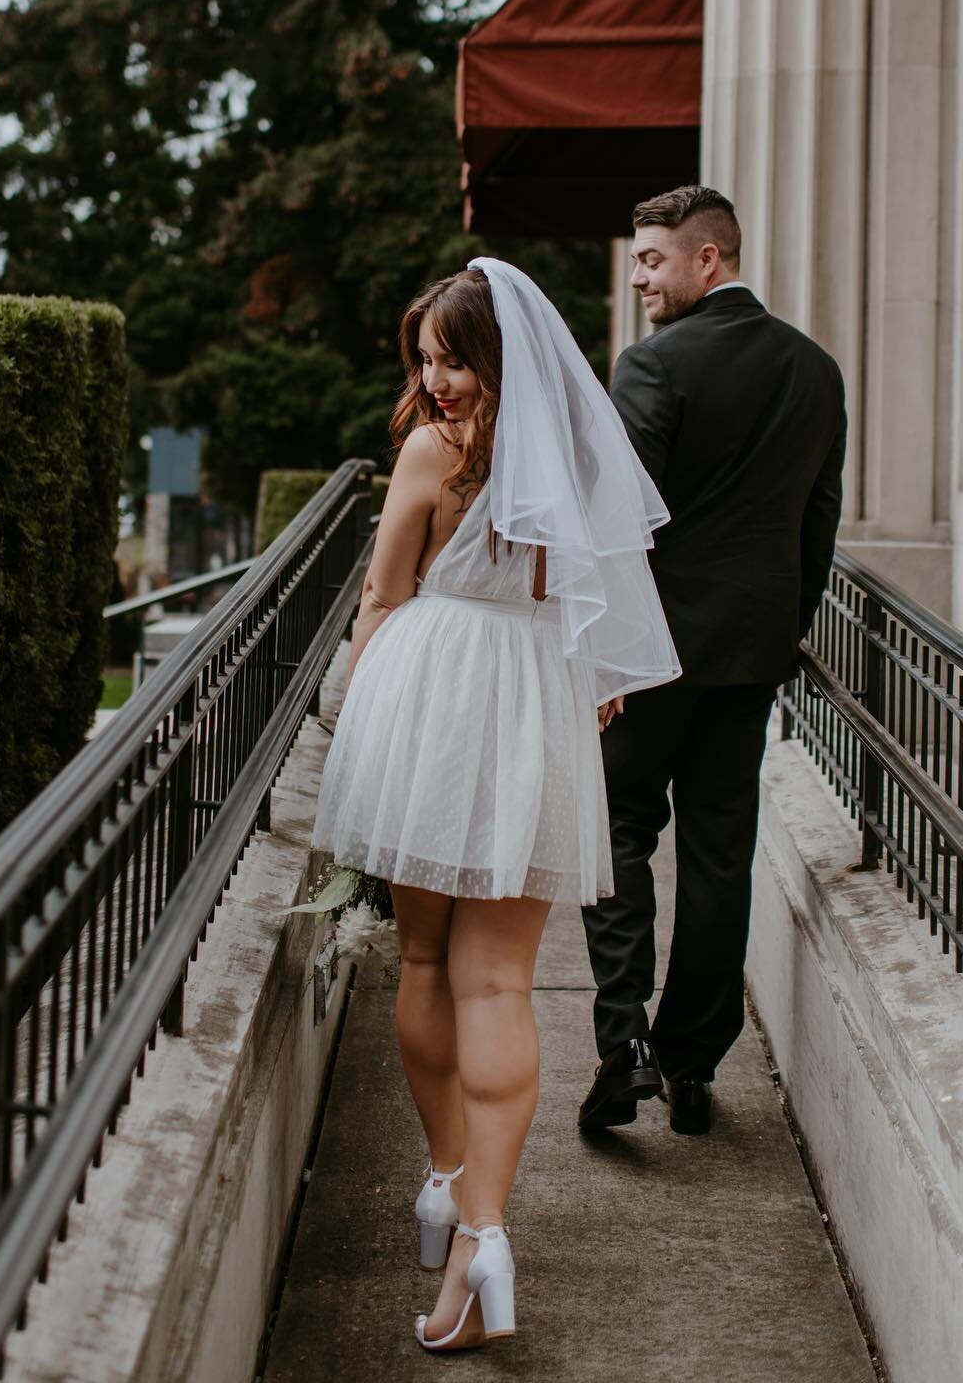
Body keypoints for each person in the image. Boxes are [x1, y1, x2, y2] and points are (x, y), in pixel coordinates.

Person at [312, 258, 679, 1353]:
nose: (435, 382)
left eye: (452, 358)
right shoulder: (570, 459)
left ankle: (447, 1188)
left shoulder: (431, 455)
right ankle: (484, 1234)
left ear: (494, 356)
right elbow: (596, 613)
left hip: (434, 704)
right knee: (500, 980)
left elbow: (384, 596)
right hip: (534, 715)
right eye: (423, 360)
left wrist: (349, 725)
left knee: (430, 966)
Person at [579, 185, 846, 1137]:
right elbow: (818, 522)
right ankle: (692, 1061)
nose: (640, 277)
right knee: (720, 854)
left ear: (709, 259)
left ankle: (624, 1046)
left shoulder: (650, 367)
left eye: (653, 260)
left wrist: (606, 655)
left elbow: (619, 530)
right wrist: (781, 628)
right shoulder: (816, 371)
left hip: (651, 656)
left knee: (613, 832)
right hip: (748, 659)